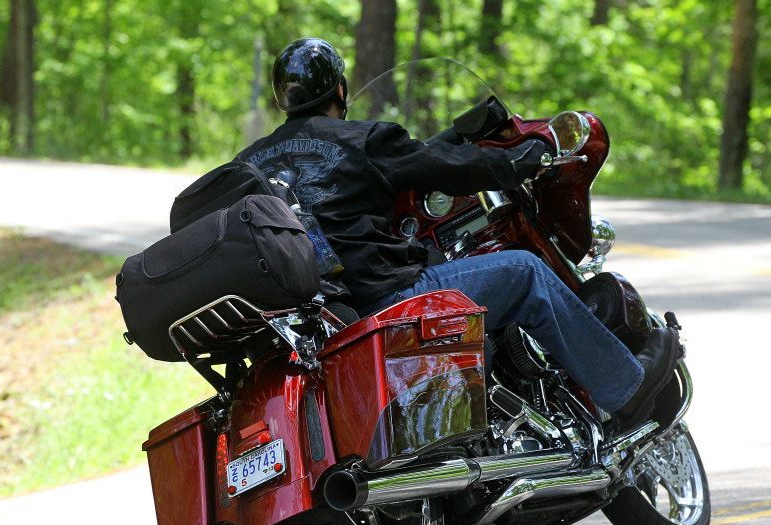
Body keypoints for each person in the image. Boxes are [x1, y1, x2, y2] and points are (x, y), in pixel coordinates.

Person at [235, 37, 681, 434]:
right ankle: (627, 390)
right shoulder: (362, 140)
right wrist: (527, 155)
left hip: (318, 322)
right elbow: (450, 166)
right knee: (525, 274)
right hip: (385, 300)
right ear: (340, 90)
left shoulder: (248, 164)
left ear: (282, 101)